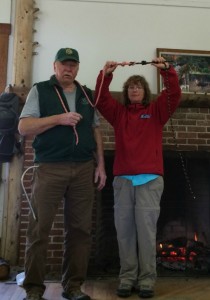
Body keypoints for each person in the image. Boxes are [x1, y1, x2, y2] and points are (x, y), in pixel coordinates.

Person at [18, 47, 106, 300]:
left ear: (77, 68)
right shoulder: (40, 90)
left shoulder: (87, 95)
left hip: (83, 169)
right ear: (55, 66)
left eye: (73, 65)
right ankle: (34, 289)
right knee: (38, 230)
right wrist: (59, 119)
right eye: (64, 64)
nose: (68, 69)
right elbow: (24, 127)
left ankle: (73, 287)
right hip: (50, 169)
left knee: (80, 230)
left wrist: (100, 165)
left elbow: (96, 129)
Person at [94, 57, 181, 298]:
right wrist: (106, 74)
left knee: (146, 233)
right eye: (130, 86)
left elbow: (173, 93)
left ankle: (146, 281)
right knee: (124, 232)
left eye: (138, 86)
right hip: (123, 181)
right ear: (126, 91)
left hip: (150, 181)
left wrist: (167, 71)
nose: (134, 89)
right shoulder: (119, 114)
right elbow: (100, 99)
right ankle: (127, 278)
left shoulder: (156, 112)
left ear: (145, 92)